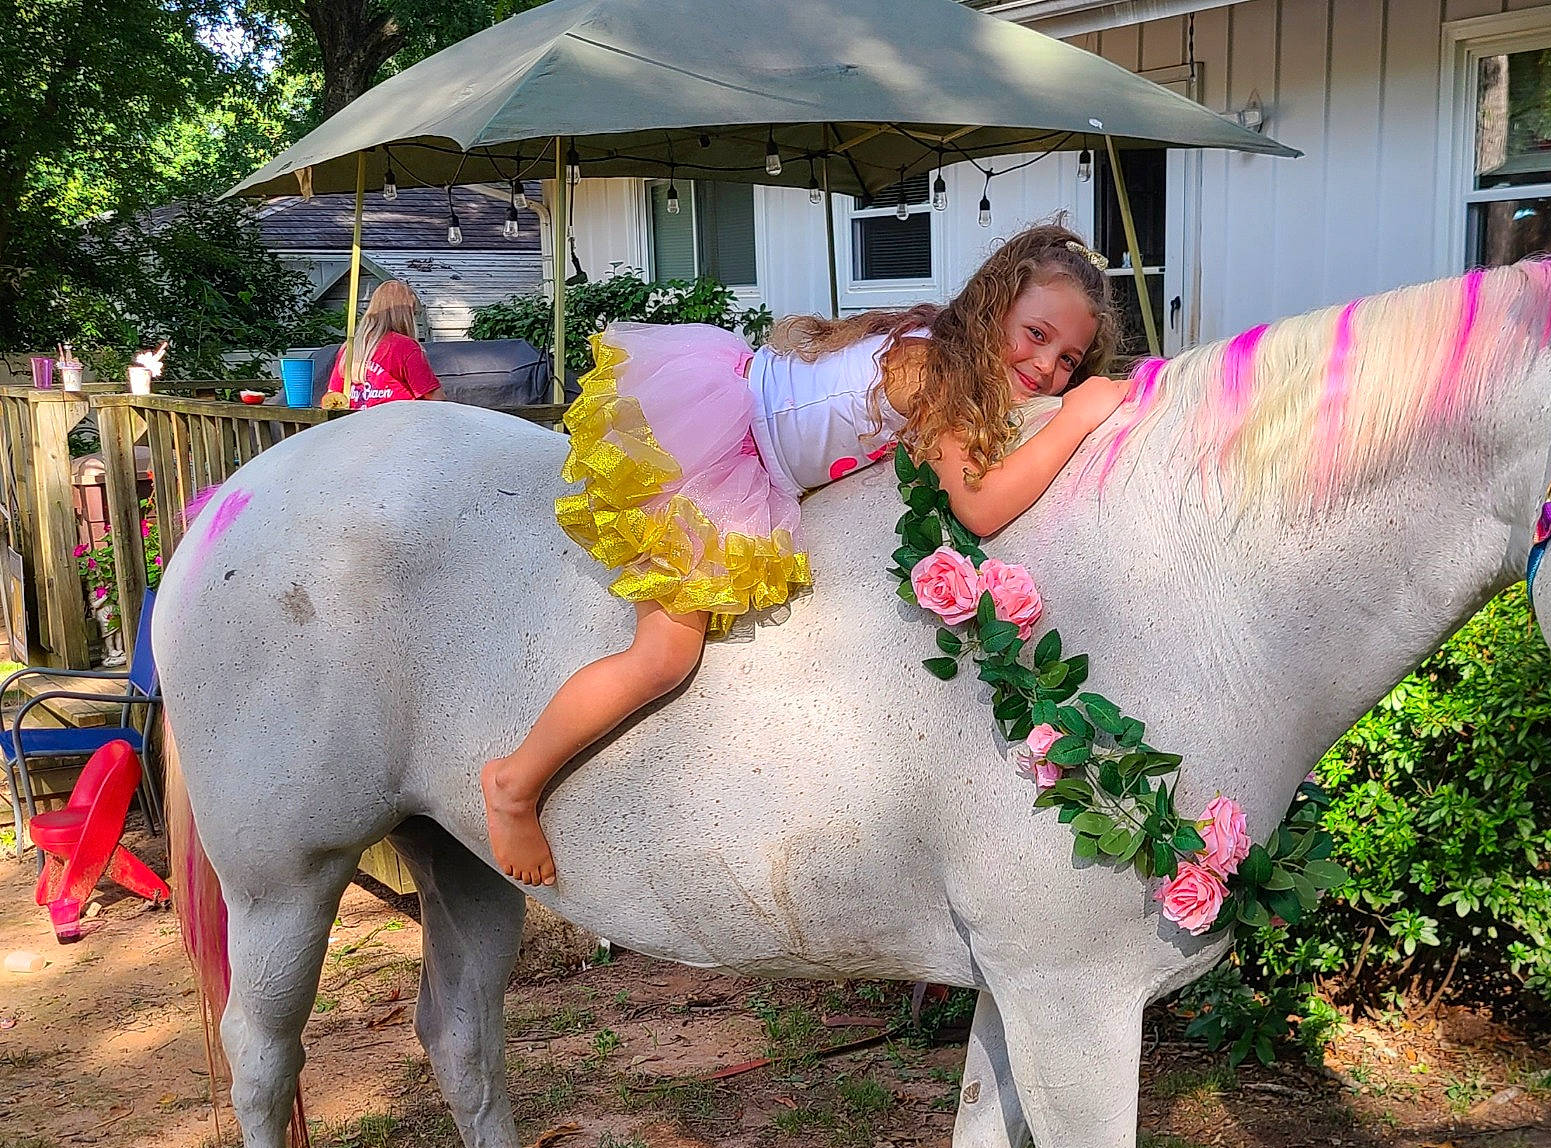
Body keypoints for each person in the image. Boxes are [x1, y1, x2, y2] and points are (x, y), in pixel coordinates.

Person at [482, 223, 1130, 885]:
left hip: (746, 430)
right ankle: (514, 782)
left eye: (1068, 360)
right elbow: (982, 506)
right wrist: (1079, 415)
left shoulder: (946, 347)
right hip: (715, 450)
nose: (1046, 367)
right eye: (1036, 334)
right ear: (995, 307)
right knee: (663, 658)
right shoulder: (937, 373)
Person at [323, 280, 444, 409]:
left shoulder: (350, 347)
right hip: (399, 419)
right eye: (413, 313)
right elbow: (436, 399)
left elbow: (331, 397)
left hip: (357, 419)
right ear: (406, 315)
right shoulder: (406, 347)